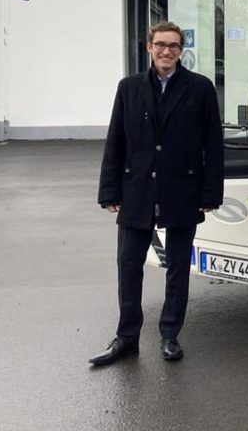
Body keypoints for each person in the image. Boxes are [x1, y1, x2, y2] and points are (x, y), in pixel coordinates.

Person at [89, 21, 223, 366]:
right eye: (161, 45)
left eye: (174, 46)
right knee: (129, 265)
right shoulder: (129, 88)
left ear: (182, 50)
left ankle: (169, 335)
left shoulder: (200, 88)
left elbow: (213, 146)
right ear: (149, 47)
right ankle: (127, 337)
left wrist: (210, 194)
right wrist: (109, 191)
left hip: (183, 190)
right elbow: (115, 141)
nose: (167, 51)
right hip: (137, 191)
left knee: (177, 267)